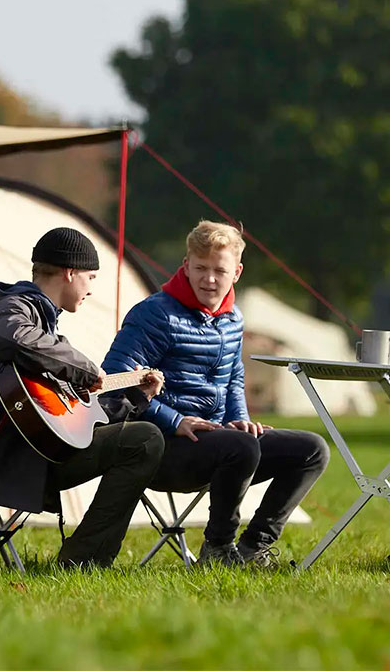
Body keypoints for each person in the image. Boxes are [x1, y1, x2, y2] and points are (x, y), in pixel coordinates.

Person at [103, 220, 331, 567]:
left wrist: (239, 418)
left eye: (219, 270)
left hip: (221, 444)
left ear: (236, 272)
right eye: (200, 269)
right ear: (186, 266)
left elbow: (233, 377)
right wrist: (174, 420)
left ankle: (254, 547)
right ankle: (218, 550)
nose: (209, 279)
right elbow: (115, 381)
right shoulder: (155, 314)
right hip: (162, 448)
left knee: (312, 450)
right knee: (239, 446)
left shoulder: (233, 319)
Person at [0, 226, 165, 568]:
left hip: (31, 452)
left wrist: (134, 396)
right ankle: (84, 559)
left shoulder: (44, 326)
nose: (91, 288)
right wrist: (83, 367)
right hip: (1, 460)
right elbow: (9, 335)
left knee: (140, 438)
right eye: (90, 277)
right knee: (145, 441)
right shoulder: (15, 308)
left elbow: (77, 422)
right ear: (70, 273)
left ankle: (85, 555)